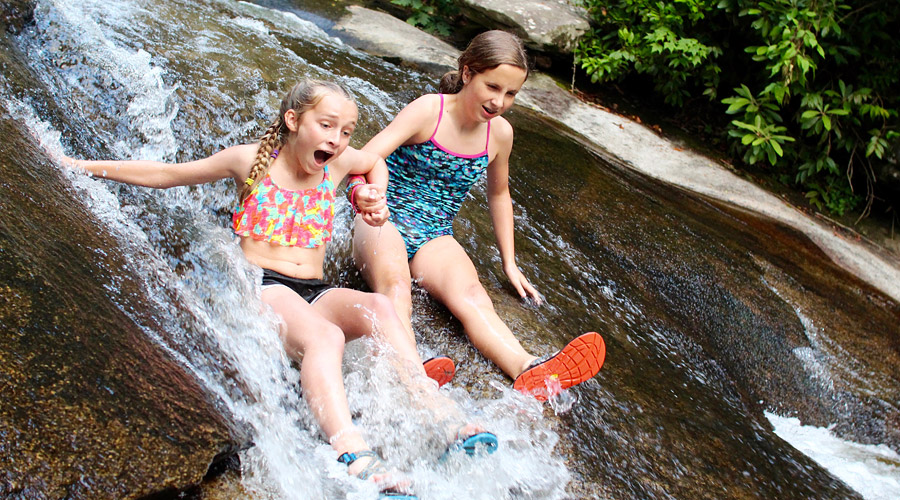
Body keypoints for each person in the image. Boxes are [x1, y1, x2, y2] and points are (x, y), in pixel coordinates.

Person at [63, 79, 496, 500]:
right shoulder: (248, 160)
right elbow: (166, 174)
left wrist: (373, 194)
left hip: (314, 289)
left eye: (346, 131)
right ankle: (352, 451)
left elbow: (374, 161)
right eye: (327, 126)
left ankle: (442, 417)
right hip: (263, 288)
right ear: (292, 120)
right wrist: (78, 167)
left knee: (380, 307)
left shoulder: (338, 165)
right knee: (325, 337)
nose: (338, 139)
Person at [351, 31, 606, 401]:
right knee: (396, 285)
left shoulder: (500, 134)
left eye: (511, 93)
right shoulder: (429, 111)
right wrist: (363, 193)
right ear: (468, 72)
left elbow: (499, 194)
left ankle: (529, 369)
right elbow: (364, 158)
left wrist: (510, 263)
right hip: (382, 222)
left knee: (472, 295)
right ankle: (409, 369)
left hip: (434, 234)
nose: (499, 101)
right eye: (493, 86)